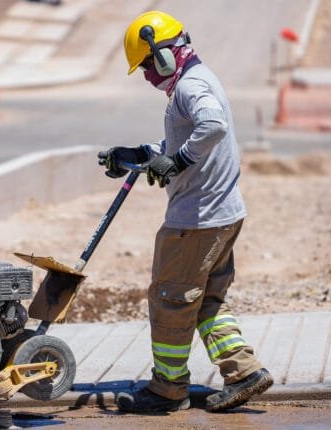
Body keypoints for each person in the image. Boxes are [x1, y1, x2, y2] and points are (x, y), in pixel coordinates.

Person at [98, 10, 273, 413]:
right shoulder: (199, 79)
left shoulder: (190, 88)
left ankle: (167, 389)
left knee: (170, 299)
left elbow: (212, 127)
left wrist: (176, 163)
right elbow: (184, 138)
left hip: (196, 219)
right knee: (207, 300)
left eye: (145, 65)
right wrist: (140, 154)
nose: (145, 75)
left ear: (162, 56)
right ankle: (244, 372)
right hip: (223, 213)